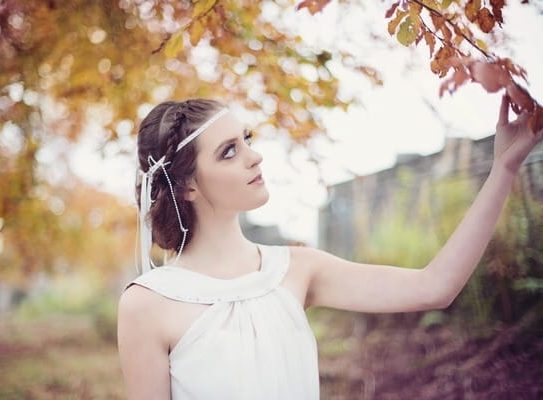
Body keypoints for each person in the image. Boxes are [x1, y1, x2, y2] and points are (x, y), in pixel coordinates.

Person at [117, 96, 542, 399]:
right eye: (229, 151)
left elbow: (436, 286)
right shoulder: (149, 304)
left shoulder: (297, 269)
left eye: (247, 138)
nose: (255, 156)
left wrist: (503, 168)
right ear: (188, 184)